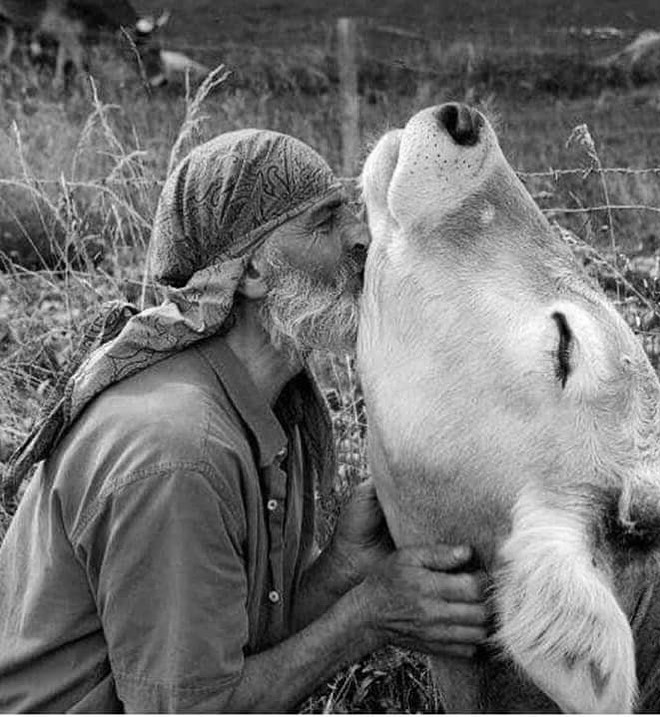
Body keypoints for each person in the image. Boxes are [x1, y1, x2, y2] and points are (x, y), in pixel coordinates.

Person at [0, 130, 490, 712]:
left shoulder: (249, 399)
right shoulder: (178, 456)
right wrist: (368, 618)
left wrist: (341, 569)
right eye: (325, 222)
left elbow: (221, 653)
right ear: (254, 271)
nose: (361, 238)